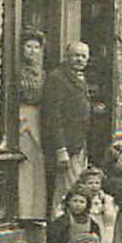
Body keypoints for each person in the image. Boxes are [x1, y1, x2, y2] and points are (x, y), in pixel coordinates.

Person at [42, 41, 94, 215]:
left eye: (84, 56)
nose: (80, 59)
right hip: (67, 146)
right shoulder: (57, 78)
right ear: (67, 57)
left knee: (76, 187)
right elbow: (52, 116)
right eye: (76, 55)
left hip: (79, 143)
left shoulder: (79, 77)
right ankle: (61, 225)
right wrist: (61, 148)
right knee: (67, 190)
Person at [14, 29, 49, 225]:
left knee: (37, 162)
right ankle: (23, 211)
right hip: (22, 117)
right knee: (24, 161)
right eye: (28, 46)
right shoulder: (16, 72)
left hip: (39, 118)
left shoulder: (42, 73)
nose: (32, 51)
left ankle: (36, 211)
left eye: (36, 47)